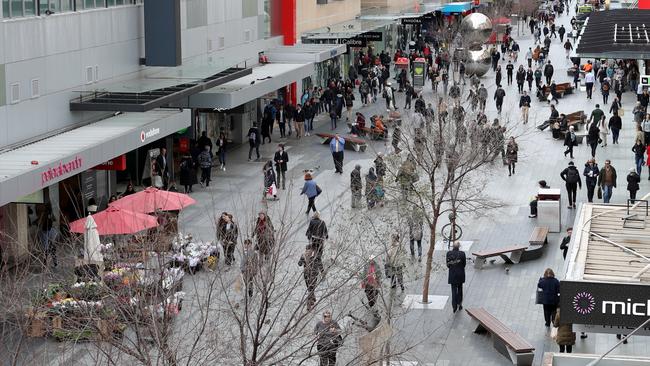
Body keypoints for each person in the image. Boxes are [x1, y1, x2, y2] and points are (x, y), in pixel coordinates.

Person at [299, 245, 321, 310]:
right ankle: (311, 300)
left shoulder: (315, 256)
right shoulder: (304, 255)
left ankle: (310, 302)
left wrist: (322, 271)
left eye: (309, 250)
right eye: (307, 250)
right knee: (310, 288)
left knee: (310, 288)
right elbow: (299, 263)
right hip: (308, 274)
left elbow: (320, 263)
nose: (308, 251)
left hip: (312, 273)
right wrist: (302, 261)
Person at [446, 241, 466, 313]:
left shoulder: (448, 253)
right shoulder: (462, 254)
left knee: (453, 290)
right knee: (460, 289)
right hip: (460, 274)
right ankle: (459, 303)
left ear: (452, 246)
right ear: (459, 246)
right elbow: (464, 264)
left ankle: (454, 306)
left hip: (452, 274)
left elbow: (448, 265)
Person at [37, 203, 57, 267]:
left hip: (45, 231)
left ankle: (45, 264)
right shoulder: (50, 213)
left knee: (46, 249)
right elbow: (54, 219)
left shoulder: (44, 213)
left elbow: (39, 221)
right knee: (51, 247)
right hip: (50, 231)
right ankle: (55, 263)